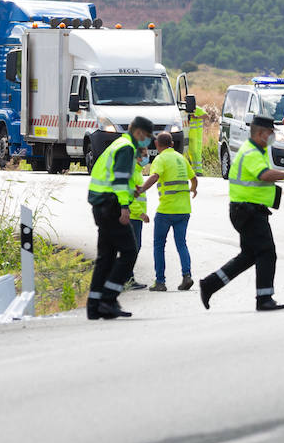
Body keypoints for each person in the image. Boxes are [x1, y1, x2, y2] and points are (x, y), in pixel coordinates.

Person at [199, 115, 284, 312]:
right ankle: (264, 298)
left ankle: (210, 284)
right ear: (261, 134)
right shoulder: (251, 153)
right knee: (266, 252)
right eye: (271, 133)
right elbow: (264, 175)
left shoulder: (257, 150)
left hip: (247, 211)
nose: (273, 136)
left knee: (248, 255)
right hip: (248, 211)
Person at [85, 115, 155, 319]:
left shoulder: (118, 144)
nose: (148, 141)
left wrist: (127, 196)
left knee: (105, 257)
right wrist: (124, 206)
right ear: (139, 133)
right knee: (129, 252)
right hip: (112, 206)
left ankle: (94, 305)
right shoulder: (127, 148)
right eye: (148, 136)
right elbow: (120, 180)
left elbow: (115, 180)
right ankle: (108, 299)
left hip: (100, 204)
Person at [137, 131, 199, 291]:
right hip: (184, 210)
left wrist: (142, 188)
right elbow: (194, 178)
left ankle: (160, 282)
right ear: (172, 144)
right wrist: (193, 189)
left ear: (157, 145)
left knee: (158, 245)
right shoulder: (181, 158)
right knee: (181, 243)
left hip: (166, 211)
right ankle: (187, 275)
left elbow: (155, 176)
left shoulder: (160, 159)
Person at [122, 147, 150, 292]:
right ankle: (126, 278)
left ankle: (127, 278)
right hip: (133, 216)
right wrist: (140, 214)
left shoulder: (137, 171)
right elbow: (129, 195)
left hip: (135, 217)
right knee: (132, 248)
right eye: (144, 155)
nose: (147, 157)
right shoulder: (132, 172)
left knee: (133, 248)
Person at [185, 97, 206, 171]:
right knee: (190, 152)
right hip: (188, 134)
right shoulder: (184, 109)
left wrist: (196, 117)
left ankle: (198, 170)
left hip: (197, 135)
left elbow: (206, 116)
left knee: (196, 152)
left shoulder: (197, 109)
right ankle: (192, 170)